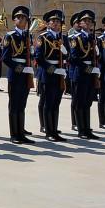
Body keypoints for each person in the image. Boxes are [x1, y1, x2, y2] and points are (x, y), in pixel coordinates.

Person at [1, 5, 34, 144]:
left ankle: (21, 132)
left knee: (22, 104)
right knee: (14, 104)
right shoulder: (10, 36)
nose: (22, 20)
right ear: (14, 20)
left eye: (24, 18)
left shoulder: (28, 36)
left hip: (26, 74)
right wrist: (21, 68)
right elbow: (6, 58)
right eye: (19, 17)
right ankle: (14, 134)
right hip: (15, 74)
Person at [35, 9, 69, 142]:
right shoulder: (42, 37)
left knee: (56, 103)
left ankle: (54, 129)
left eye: (58, 21)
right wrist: (53, 70)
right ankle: (48, 131)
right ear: (48, 23)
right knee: (48, 103)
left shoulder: (63, 38)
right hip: (49, 74)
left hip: (60, 73)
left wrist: (64, 51)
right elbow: (39, 58)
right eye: (53, 21)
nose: (56, 23)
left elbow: (68, 55)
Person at [68, 9, 100, 140]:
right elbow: (73, 58)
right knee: (80, 102)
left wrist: (95, 68)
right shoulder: (76, 38)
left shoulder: (93, 38)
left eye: (90, 21)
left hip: (90, 73)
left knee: (88, 102)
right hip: (80, 73)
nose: (87, 23)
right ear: (80, 23)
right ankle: (81, 129)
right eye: (85, 21)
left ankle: (87, 128)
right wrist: (88, 69)